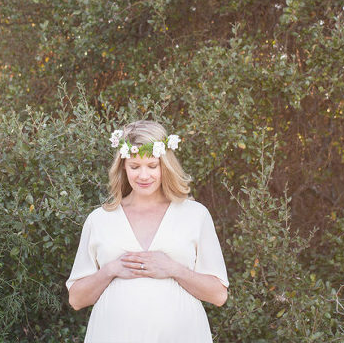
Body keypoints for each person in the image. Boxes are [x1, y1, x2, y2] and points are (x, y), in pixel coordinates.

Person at [66, 120, 229, 343]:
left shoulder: (194, 215)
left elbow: (218, 295)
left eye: (152, 166)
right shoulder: (100, 219)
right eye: (135, 167)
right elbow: (76, 299)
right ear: (123, 166)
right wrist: (112, 269)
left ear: (165, 165)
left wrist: (173, 269)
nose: (144, 176)